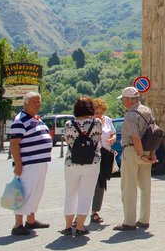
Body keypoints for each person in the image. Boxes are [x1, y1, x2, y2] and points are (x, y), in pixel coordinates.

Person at [8, 91, 53, 236]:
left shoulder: (36, 119)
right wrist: (18, 164)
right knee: (24, 192)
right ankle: (18, 224)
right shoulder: (20, 120)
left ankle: (31, 220)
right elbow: (15, 143)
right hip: (28, 164)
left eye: (39, 101)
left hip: (39, 163)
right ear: (26, 103)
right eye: (34, 101)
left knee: (36, 192)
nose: (37, 104)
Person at [113, 86, 157, 231]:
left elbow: (136, 138)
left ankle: (129, 221)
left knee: (129, 186)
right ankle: (144, 219)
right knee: (146, 187)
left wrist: (141, 155)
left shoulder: (131, 115)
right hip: (147, 149)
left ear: (128, 100)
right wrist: (151, 153)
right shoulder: (147, 111)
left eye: (123, 100)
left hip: (133, 151)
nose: (122, 102)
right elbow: (154, 133)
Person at [60, 95, 103, 236]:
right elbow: (98, 139)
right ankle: (80, 226)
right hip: (92, 162)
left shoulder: (68, 124)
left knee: (70, 194)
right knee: (86, 194)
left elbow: (67, 141)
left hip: (71, 163)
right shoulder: (97, 123)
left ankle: (67, 226)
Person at [89, 97, 116, 224]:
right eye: (96, 113)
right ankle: (80, 214)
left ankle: (95, 211)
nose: (99, 115)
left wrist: (113, 139)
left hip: (104, 155)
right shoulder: (88, 122)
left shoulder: (108, 120)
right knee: (87, 185)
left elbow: (113, 133)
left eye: (100, 112)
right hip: (90, 156)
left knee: (101, 184)